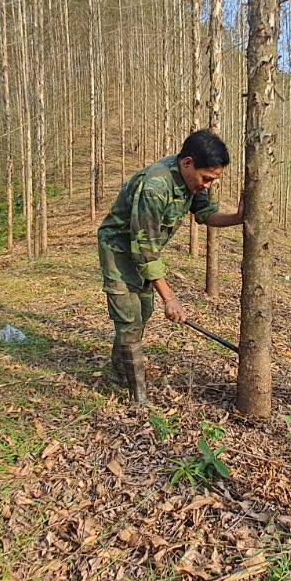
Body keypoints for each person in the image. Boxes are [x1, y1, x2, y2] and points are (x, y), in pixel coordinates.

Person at [97, 129, 245, 404]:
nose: (208, 186)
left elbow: (205, 214)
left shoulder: (192, 181)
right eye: (206, 178)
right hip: (119, 248)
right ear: (187, 163)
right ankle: (138, 398)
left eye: (214, 180)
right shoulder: (156, 187)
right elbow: (145, 250)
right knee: (129, 319)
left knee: (143, 311)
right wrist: (171, 298)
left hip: (143, 248)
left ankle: (118, 369)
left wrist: (238, 217)